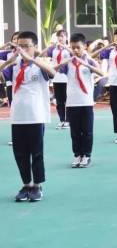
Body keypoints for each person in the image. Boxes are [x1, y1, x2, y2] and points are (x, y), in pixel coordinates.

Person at [0, 31, 55, 202]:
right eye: (19, 46)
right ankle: (26, 184)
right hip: (18, 115)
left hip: (36, 115)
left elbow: (52, 72)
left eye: (26, 46)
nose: (22, 49)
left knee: (36, 152)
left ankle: (37, 185)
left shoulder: (40, 64)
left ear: (34, 47)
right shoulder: (14, 66)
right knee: (20, 153)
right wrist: (9, 61)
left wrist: (32, 59)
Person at [54, 33, 105, 168]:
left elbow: (102, 74)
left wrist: (85, 63)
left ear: (85, 47)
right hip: (71, 102)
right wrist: (65, 61)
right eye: (73, 48)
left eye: (78, 47)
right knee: (75, 132)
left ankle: (86, 155)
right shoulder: (68, 62)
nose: (75, 50)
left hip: (86, 102)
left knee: (87, 131)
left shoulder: (89, 61)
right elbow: (52, 71)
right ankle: (77, 155)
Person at [44, 29, 72, 129]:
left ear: (67, 37)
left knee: (68, 100)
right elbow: (44, 54)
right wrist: (51, 46)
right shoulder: (54, 50)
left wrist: (66, 47)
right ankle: (62, 119)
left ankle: (69, 120)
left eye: (63, 36)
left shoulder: (69, 48)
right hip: (56, 77)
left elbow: (74, 55)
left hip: (67, 77)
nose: (61, 38)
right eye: (59, 36)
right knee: (59, 100)